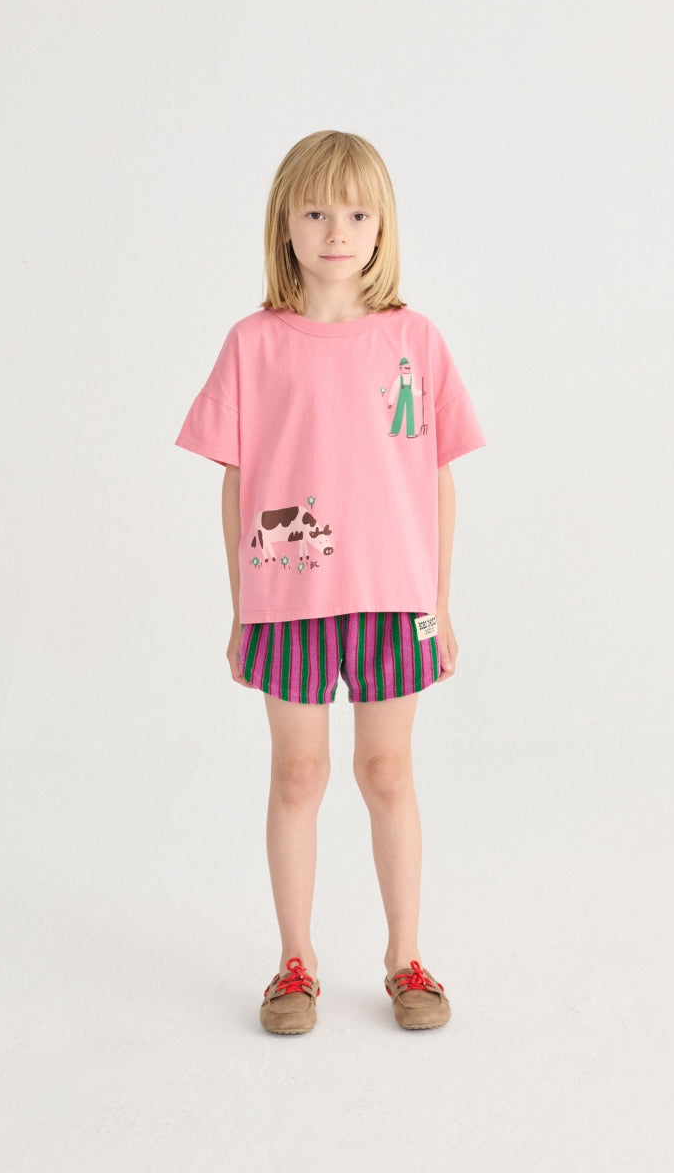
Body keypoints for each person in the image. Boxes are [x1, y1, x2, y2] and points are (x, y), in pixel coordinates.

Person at [176, 131, 485, 1034]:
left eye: (356, 213)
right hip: (290, 600)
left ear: (383, 226)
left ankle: (405, 956)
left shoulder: (414, 340)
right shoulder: (254, 344)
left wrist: (439, 602)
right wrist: (242, 610)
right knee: (298, 774)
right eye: (315, 212)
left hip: (396, 599)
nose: (337, 231)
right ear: (286, 225)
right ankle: (295, 961)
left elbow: (437, 478)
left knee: (387, 771)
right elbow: (236, 484)